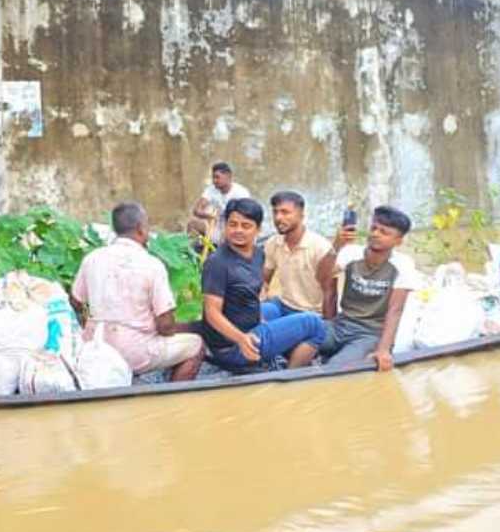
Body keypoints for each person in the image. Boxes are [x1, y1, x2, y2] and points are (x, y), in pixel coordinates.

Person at [71, 202, 203, 381]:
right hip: (134, 352)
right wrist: (183, 327)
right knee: (196, 345)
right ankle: (173, 399)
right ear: (141, 229)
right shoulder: (151, 264)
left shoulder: (92, 259)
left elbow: (76, 301)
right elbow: (165, 325)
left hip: (95, 345)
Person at [201, 198, 326, 373]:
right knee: (315, 324)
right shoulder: (217, 263)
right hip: (233, 346)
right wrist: (242, 339)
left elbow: (255, 290)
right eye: (233, 224)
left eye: (246, 226)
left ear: (258, 229)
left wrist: (258, 316)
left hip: (248, 326)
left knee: (273, 308)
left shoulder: (258, 254)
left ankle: (282, 349)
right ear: (225, 226)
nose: (238, 230)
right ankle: (289, 376)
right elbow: (212, 313)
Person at [316, 206, 421, 370]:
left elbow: (395, 310)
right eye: (373, 228)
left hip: (369, 334)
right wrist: (336, 246)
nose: (375, 234)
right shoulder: (351, 253)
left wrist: (384, 350)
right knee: (302, 326)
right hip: (340, 325)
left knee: (334, 369)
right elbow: (322, 277)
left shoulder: (402, 264)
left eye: (384, 232)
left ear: (398, 241)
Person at [261, 191, 333, 321]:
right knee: (248, 315)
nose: (278, 218)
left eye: (285, 212)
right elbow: (264, 280)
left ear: (301, 215)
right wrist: (260, 298)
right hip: (283, 305)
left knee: (268, 333)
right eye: (275, 212)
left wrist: (328, 326)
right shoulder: (273, 243)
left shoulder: (320, 247)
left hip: (310, 314)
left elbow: (330, 291)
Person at [192, 162, 251, 246]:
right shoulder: (211, 190)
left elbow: (247, 216)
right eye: (213, 178)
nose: (214, 181)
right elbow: (196, 210)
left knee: (229, 232)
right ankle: (193, 252)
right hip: (215, 225)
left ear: (228, 176)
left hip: (233, 227)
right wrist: (210, 216)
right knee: (193, 224)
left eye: (217, 177)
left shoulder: (241, 193)